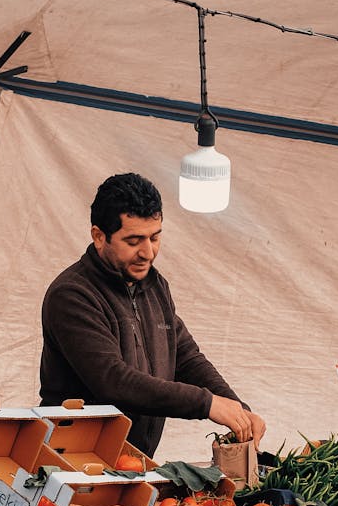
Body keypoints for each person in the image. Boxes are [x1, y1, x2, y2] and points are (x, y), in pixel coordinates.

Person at [40, 173, 266, 458]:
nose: (148, 252)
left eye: (155, 237)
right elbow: (113, 380)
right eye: (134, 241)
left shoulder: (155, 286)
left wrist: (236, 408)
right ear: (99, 236)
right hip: (70, 461)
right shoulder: (72, 295)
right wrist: (206, 404)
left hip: (133, 462)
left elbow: (185, 356)